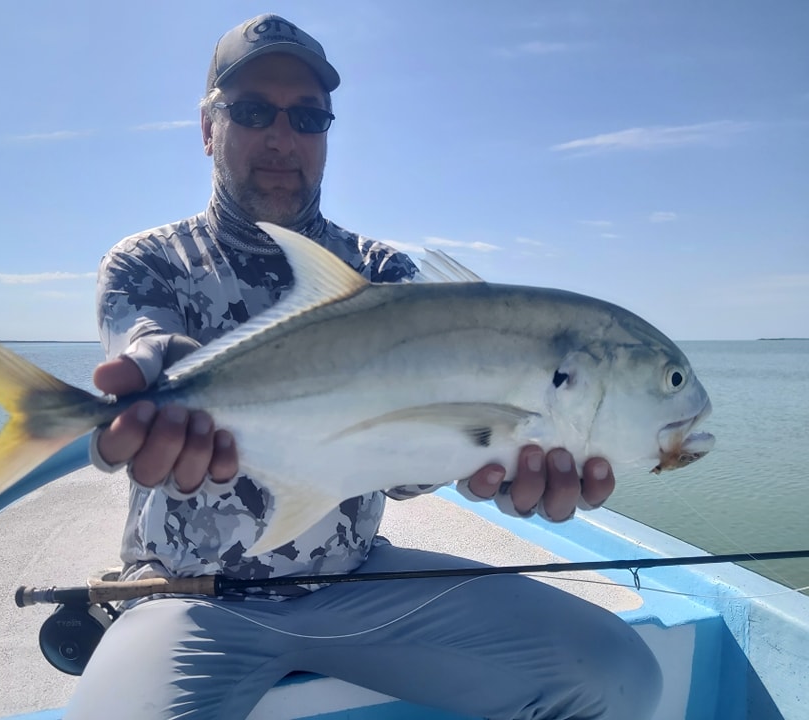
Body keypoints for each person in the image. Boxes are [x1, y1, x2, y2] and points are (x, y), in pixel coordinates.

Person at [67, 14, 662, 720]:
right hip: (184, 593)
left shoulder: (381, 273)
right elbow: (142, 340)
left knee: (618, 675)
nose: (282, 137)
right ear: (207, 128)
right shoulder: (150, 262)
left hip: (356, 580)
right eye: (253, 111)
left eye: (308, 117)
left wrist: (501, 456)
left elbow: (405, 471)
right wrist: (156, 378)